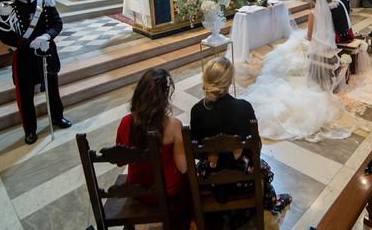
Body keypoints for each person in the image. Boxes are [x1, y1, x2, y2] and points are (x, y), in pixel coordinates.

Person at [240, 0, 359, 139]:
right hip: (327, 45)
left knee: (289, 48)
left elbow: (309, 36)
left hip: (314, 46)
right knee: (293, 43)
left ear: (313, 1)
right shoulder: (327, 11)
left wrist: (306, 38)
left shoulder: (313, 13)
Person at [0, 0, 71, 145]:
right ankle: (30, 129)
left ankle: (57, 117)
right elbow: (4, 35)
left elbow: (57, 23)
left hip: (47, 52)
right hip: (24, 58)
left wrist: (47, 36)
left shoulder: (46, 2)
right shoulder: (6, 8)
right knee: (25, 96)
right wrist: (29, 43)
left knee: (53, 89)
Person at [190, 58, 292, 213]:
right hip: (243, 177)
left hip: (210, 179)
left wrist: (214, 156)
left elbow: (196, 150)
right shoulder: (244, 108)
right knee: (260, 165)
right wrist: (236, 155)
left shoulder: (197, 111)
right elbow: (256, 147)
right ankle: (266, 200)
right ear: (230, 81)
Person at [116, 68, 188, 224]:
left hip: (136, 189)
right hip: (167, 191)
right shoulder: (173, 126)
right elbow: (182, 167)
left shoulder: (125, 122)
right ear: (164, 97)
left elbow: (119, 161)